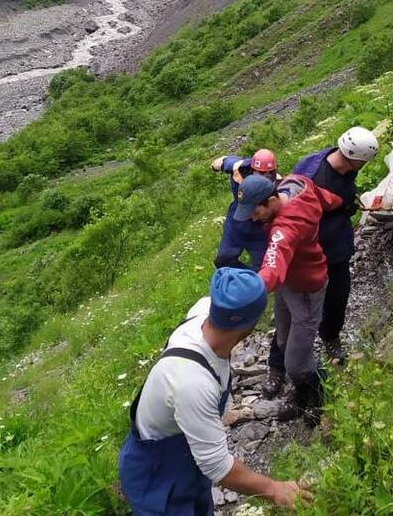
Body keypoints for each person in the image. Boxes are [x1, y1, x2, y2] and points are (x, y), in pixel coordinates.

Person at [119, 268, 312, 514]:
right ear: (249, 326)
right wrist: (275, 489)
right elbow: (217, 467)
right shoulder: (192, 382)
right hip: (156, 472)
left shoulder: (205, 310)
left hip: (185, 453)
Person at [234, 173, 343, 422]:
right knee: (284, 343)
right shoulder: (296, 183)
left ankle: (320, 393)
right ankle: (303, 390)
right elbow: (324, 197)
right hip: (288, 285)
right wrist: (341, 202)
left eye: (255, 211)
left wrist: (246, 294)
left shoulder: (286, 227)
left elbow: (273, 262)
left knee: (294, 362)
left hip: (305, 288)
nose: (252, 217)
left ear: (271, 200)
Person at [287, 127, 379, 365]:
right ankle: (293, 358)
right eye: (363, 162)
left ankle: (330, 336)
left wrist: (347, 206)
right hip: (313, 246)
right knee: (304, 305)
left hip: (336, 242)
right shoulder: (312, 173)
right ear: (356, 159)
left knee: (339, 294)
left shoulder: (344, 166)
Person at [210, 149, 279, 269]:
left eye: (267, 173)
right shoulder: (239, 167)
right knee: (224, 260)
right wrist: (216, 165)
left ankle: (250, 281)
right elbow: (222, 161)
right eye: (259, 173)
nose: (264, 176)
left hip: (259, 226)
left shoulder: (277, 183)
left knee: (263, 266)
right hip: (237, 219)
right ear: (252, 169)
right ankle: (237, 279)